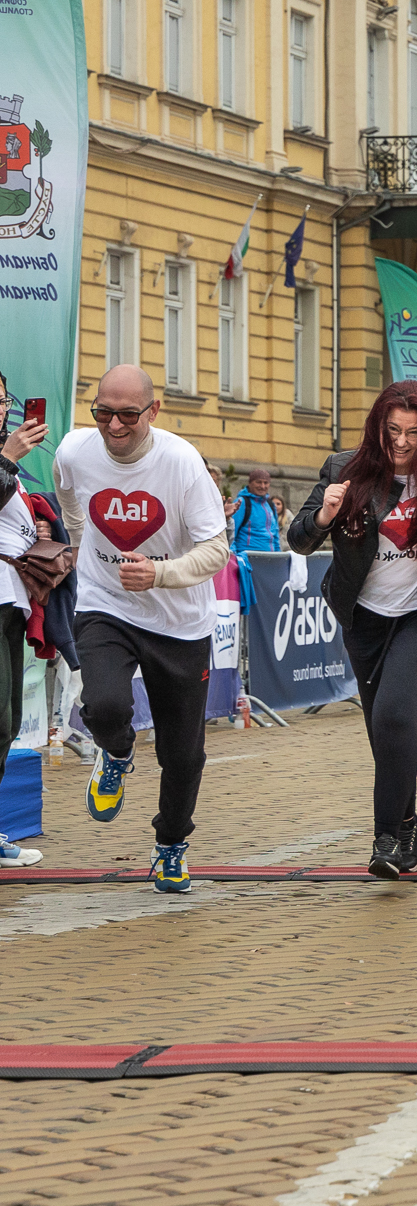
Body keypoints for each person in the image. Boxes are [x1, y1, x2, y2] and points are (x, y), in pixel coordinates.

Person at [289, 382, 417, 879]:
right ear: (378, 426)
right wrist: (324, 516)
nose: (401, 442)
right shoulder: (343, 469)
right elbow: (299, 539)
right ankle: (407, 821)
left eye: (414, 434)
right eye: (393, 430)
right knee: (384, 729)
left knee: (396, 714)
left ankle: (385, 838)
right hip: (364, 618)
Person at [55, 368, 230, 890]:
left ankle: (171, 845)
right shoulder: (74, 450)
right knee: (104, 706)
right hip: (105, 604)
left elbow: (217, 551)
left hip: (179, 621)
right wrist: (84, 541)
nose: (113, 425)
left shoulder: (180, 463)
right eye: (102, 412)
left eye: (127, 414)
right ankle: (117, 751)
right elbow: (70, 499)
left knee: (184, 753)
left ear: (152, 412)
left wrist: (160, 573)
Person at [0, 414, 48, 867]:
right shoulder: (6, 456)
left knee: (8, 721)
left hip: (10, 600)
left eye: (0, 399)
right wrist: (7, 459)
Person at [227, 468, 288, 553]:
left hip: (269, 558)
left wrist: (278, 556)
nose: (262, 486)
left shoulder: (270, 504)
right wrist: (234, 557)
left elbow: (275, 535)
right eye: (258, 482)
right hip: (247, 558)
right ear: (250, 483)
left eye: (266, 483)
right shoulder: (242, 503)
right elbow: (231, 532)